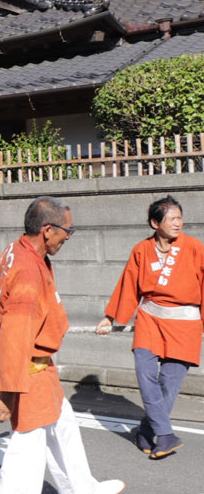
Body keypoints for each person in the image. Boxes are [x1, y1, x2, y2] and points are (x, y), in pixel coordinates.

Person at [0, 196, 124, 494]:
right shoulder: (27, 273)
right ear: (48, 230)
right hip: (28, 370)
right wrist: (9, 394)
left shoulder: (16, 249)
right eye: (67, 230)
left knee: (62, 426)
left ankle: (82, 488)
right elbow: (16, 337)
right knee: (28, 443)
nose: (68, 236)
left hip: (40, 368)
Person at [96, 195, 204, 460]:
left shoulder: (194, 247)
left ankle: (145, 431)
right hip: (150, 318)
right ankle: (166, 435)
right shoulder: (141, 250)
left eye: (180, 218)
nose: (178, 223)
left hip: (185, 323)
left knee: (169, 384)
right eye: (172, 218)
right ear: (155, 223)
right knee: (145, 375)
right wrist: (110, 317)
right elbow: (128, 284)